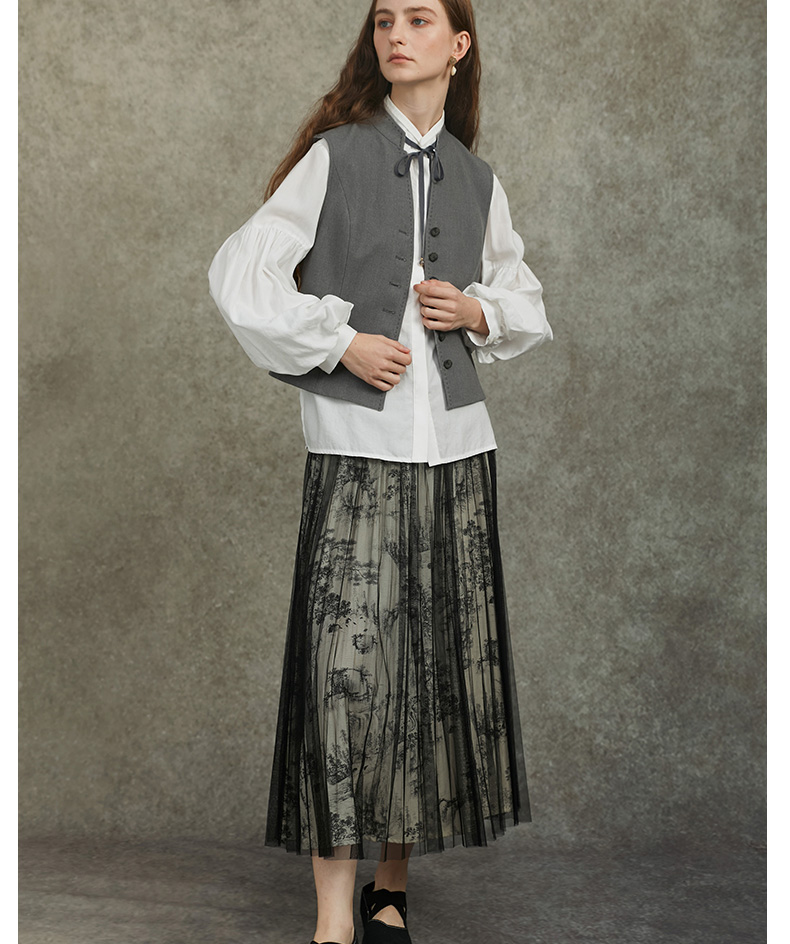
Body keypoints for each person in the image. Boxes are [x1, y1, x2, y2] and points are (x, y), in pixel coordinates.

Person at [208, 1, 553, 942]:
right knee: (346, 678)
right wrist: (340, 343)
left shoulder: (478, 178)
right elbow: (241, 275)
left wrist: (477, 313)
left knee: (430, 670)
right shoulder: (336, 156)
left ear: (458, 45)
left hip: (456, 451)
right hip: (357, 449)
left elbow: (524, 298)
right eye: (384, 20)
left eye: (420, 19)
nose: (397, 34)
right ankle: (333, 917)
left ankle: (390, 886)